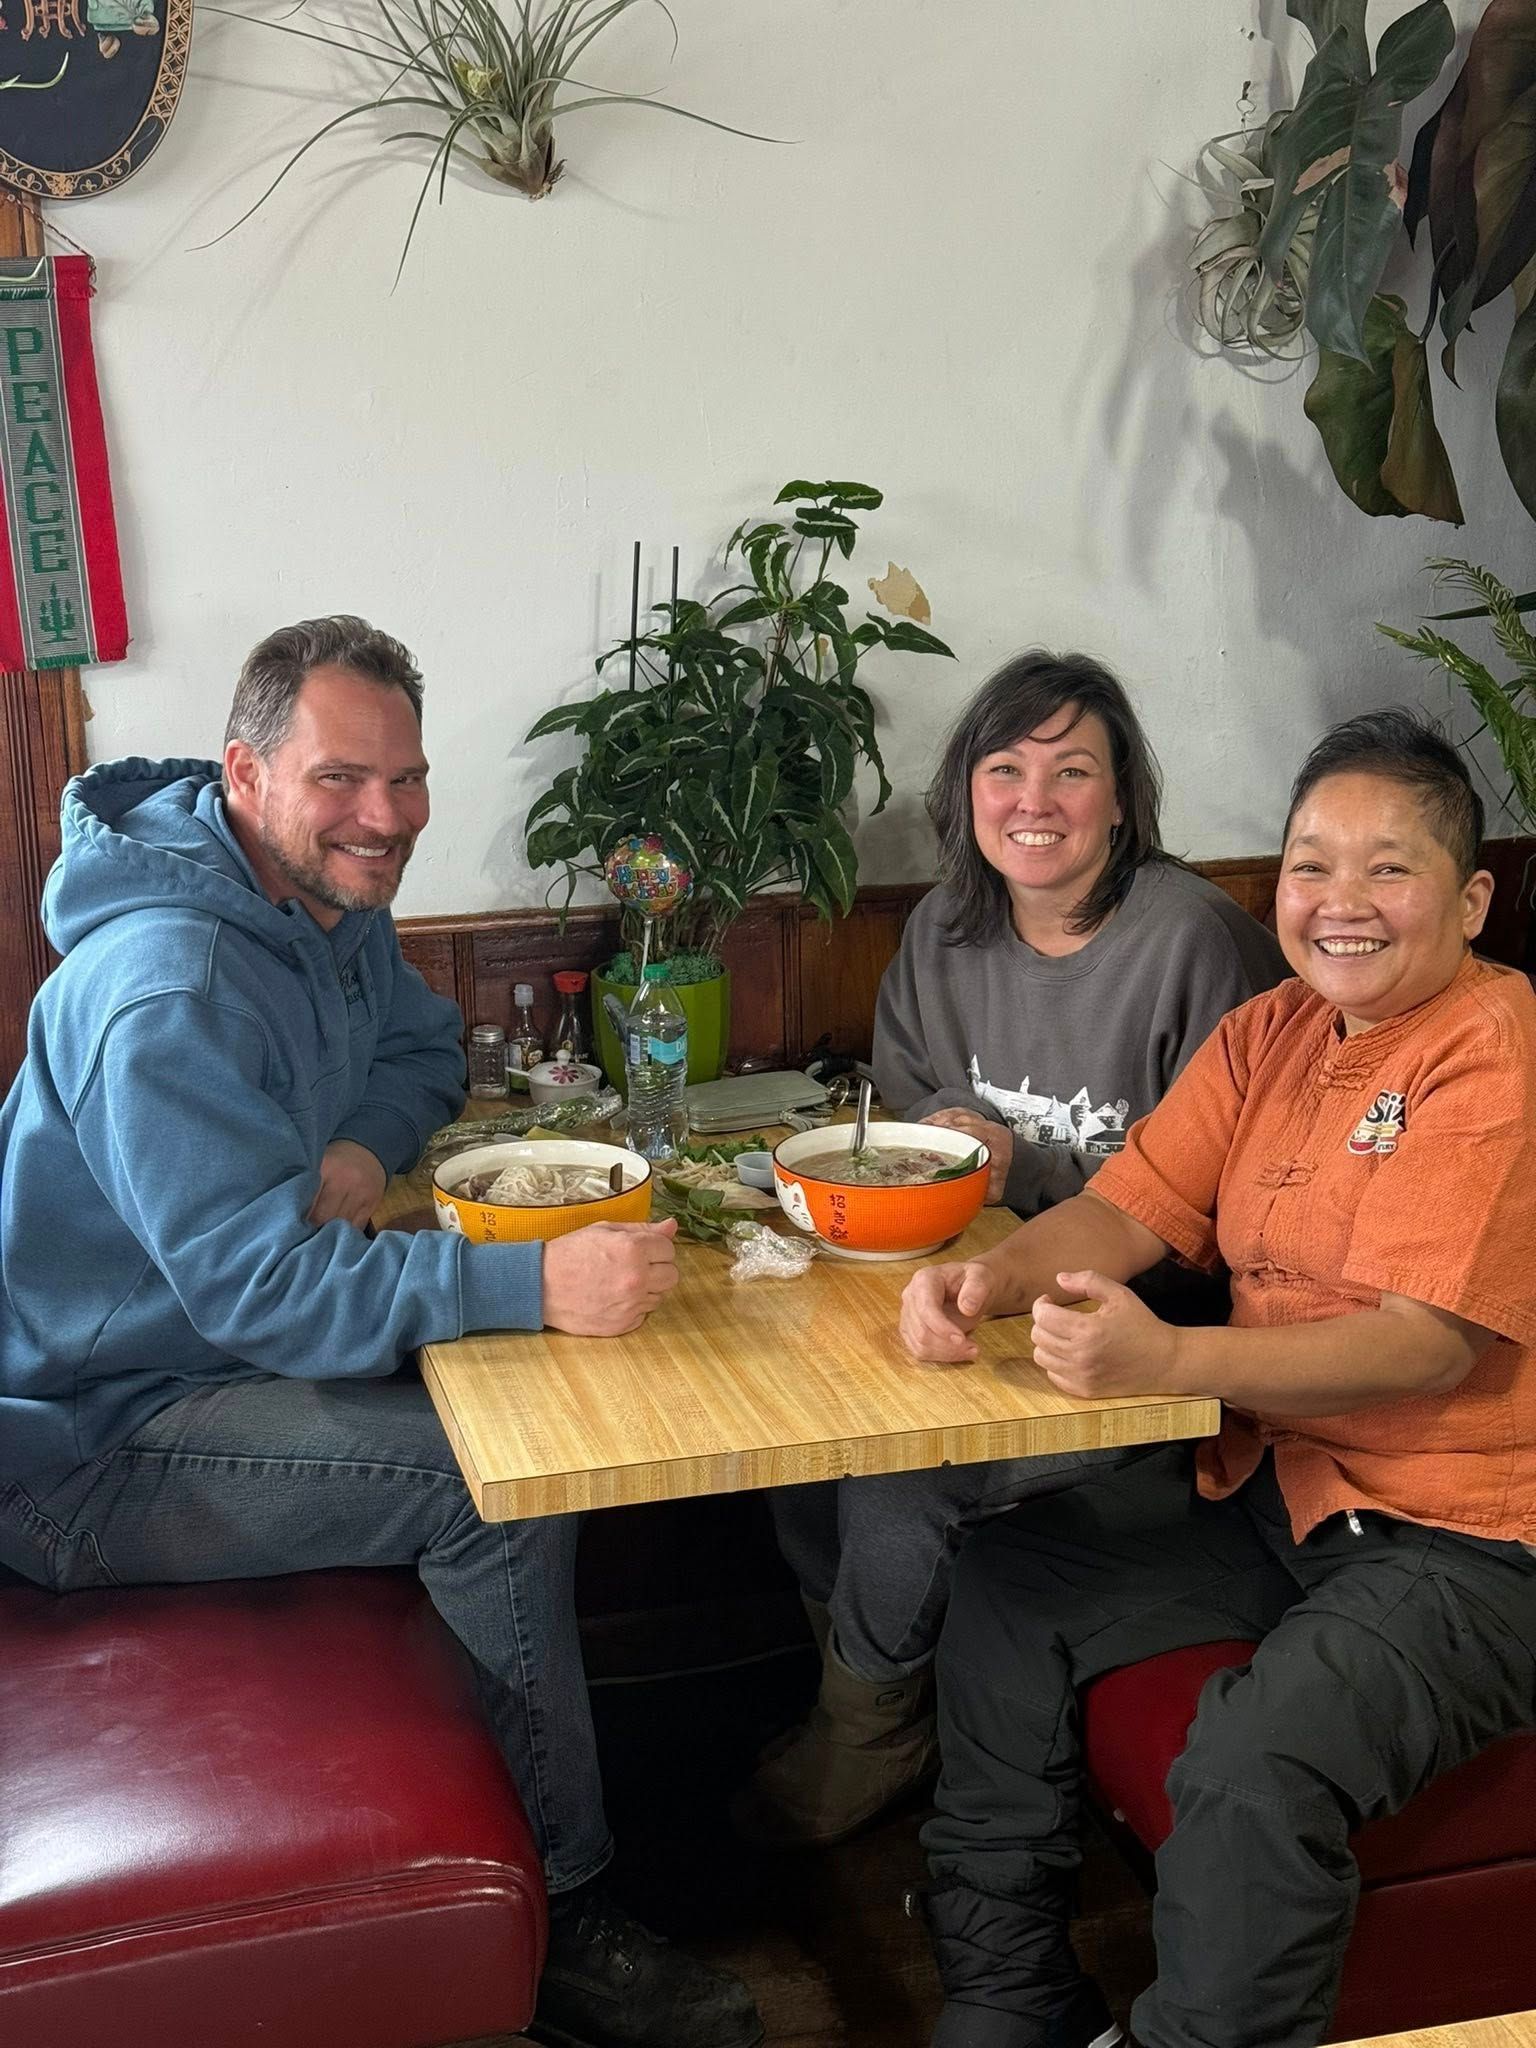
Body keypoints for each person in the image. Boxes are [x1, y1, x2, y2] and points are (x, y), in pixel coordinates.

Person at [0, 616, 763, 2048]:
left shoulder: (317, 903)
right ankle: (566, 1908)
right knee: (495, 1481)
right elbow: (266, 1292)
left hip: (207, 1365)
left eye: (405, 778)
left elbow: (419, 1047)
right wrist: (532, 1285)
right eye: (343, 779)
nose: (388, 815)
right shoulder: (168, 985)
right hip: (92, 1443)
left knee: (507, 1403)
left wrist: (356, 1146)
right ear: (244, 775)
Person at [900, 709, 1536, 2048]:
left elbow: (1427, 1344)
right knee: (1010, 1582)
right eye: (1311, 864)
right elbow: (1128, 1207)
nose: (1341, 900)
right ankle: (1009, 1998)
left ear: (1472, 899)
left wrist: (1171, 1356)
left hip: (1475, 1540)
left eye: (1389, 868)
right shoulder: (1270, 1031)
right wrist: (988, 1278)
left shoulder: (1494, 1041)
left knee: (1254, 1763)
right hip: (1289, 1487)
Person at [739, 651, 1286, 1848]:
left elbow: (1227, 1210)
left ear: (1122, 798)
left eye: (1072, 771)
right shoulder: (943, 927)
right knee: (790, 1416)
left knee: (902, 1467)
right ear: (967, 790)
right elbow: (900, 1118)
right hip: (982, 1293)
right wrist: (941, 1134)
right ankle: (871, 1687)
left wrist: (1022, 1167)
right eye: (1005, 769)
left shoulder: (1196, 943)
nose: (1034, 801)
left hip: (1150, 1341)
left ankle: (866, 1736)